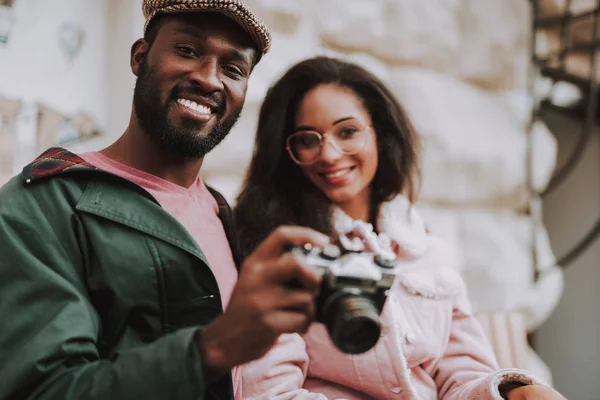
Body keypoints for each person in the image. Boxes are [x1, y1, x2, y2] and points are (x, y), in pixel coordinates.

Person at [0, 2, 330, 399]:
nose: (210, 79)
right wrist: (213, 347)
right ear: (140, 57)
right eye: (187, 51)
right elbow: (45, 390)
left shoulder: (221, 211)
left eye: (233, 69)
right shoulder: (43, 204)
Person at [234, 57, 567, 400]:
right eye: (308, 139)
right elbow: (269, 393)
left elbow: (460, 375)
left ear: (381, 134)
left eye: (347, 132)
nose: (329, 154)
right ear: (288, 153)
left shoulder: (428, 251)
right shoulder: (280, 256)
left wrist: (514, 392)